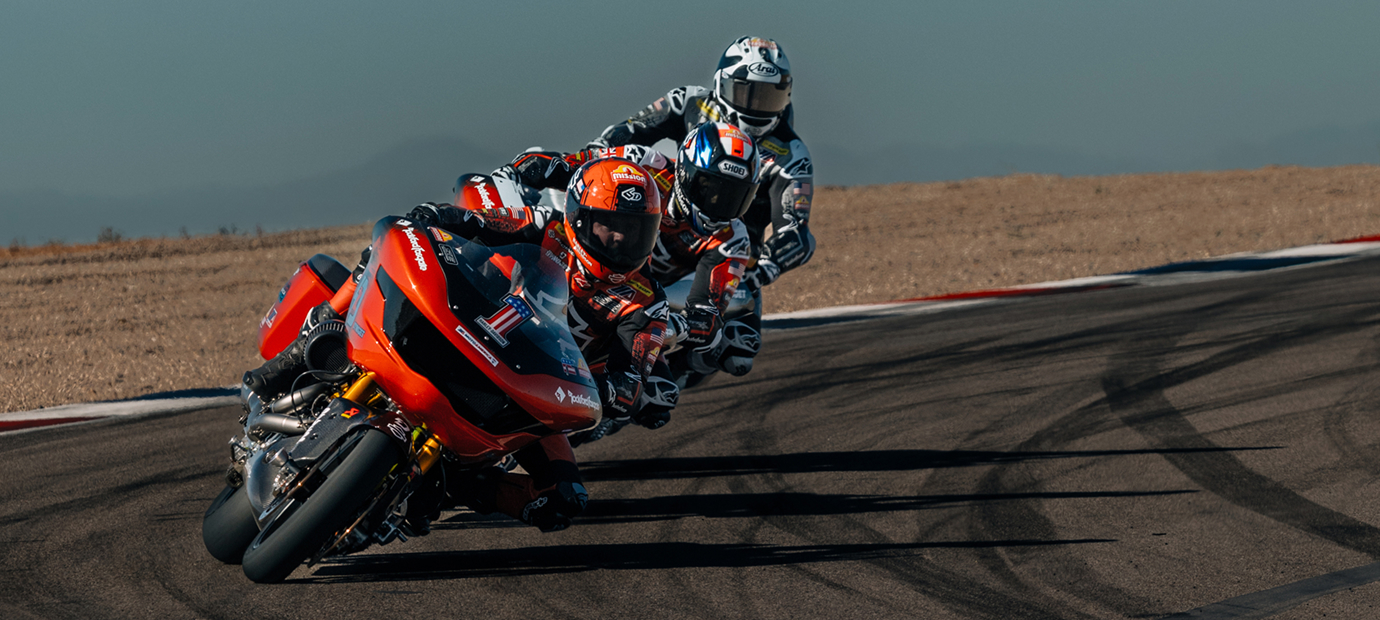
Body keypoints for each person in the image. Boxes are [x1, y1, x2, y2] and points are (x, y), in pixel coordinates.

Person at [242, 157, 675, 533]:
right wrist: (437, 216)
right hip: (459, 326)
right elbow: (477, 223)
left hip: (522, 387)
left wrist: (619, 390)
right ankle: (302, 349)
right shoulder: (544, 226)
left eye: (634, 231)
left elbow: (633, 370)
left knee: (562, 500)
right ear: (579, 216)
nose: (619, 240)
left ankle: (452, 484)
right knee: (385, 244)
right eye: (609, 226)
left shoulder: (646, 303)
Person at [492, 121, 761, 389]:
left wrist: (679, 325)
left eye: (735, 197)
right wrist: (525, 171)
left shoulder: (733, 239)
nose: (718, 206)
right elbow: (573, 167)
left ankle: (617, 377)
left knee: (660, 394)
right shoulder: (640, 163)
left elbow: (708, 314)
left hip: (651, 294)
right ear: (687, 172)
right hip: (591, 259)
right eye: (710, 189)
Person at [590, 36, 815, 298]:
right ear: (723, 83)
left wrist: (762, 270)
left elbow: (796, 232)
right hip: (659, 230)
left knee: (742, 339)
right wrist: (593, 154)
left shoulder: (792, 155)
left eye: (768, 97)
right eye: (747, 92)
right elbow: (631, 130)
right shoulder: (688, 101)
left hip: (730, 257)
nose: (756, 105)